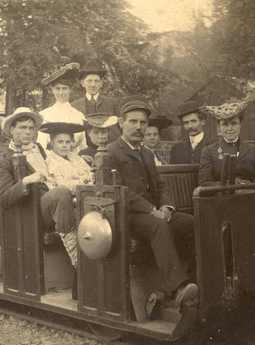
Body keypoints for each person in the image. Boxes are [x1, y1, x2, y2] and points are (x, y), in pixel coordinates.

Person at [105, 95, 198, 311]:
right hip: (125, 216)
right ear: (121, 123)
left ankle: (194, 280)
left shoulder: (146, 153)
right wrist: (152, 210)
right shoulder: (110, 152)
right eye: (133, 122)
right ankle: (179, 288)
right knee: (159, 225)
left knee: (191, 223)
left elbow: (161, 185)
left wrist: (166, 207)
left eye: (143, 123)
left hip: (153, 212)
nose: (139, 127)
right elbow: (120, 192)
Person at [0, 107, 77, 265]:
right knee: (60, 192)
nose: (27, 132)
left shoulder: (41, 150)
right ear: (12, 129)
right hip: (33, 211)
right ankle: (77, 257)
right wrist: (26, 181)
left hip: (58, 204)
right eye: (22, 128)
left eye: (31, 128)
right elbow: (3, 199)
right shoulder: (3, 162)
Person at [39, 122, 94, 268]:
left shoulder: (77, 158)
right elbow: (62, 185)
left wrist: (79, 182)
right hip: (60, 207)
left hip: (82, 202)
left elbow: (93, 178)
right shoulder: (48, 160)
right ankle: (78, 260)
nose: (64, 145)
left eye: (68, 142)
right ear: (52, 142)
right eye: (60, 142)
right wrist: (83, 182)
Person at [199, 101, 255, 186]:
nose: (229, 129)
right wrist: (228, 185)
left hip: (248, 195)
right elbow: (204, 183)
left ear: (240, 125)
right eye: (225, 124)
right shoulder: (209, 151)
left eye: (234, 123)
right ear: (219, 127)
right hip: (221, 197)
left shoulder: (254, 150)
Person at [37, 63, 86, 151]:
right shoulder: (44, 115)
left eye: (64, 88)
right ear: (52, 90)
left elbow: (83, 146)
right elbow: (41, 145)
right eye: (57, 89)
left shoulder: (78, 115)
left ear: (70, 89)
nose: (61, 93)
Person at [71, 60, 121, 144]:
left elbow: (120, 129)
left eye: (96, 81)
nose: (93, 85)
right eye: (89, 81)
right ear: (83, 83)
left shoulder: (113, 103)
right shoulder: (75, 106)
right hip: (84, 151)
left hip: (109, 149)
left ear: (101, 83)